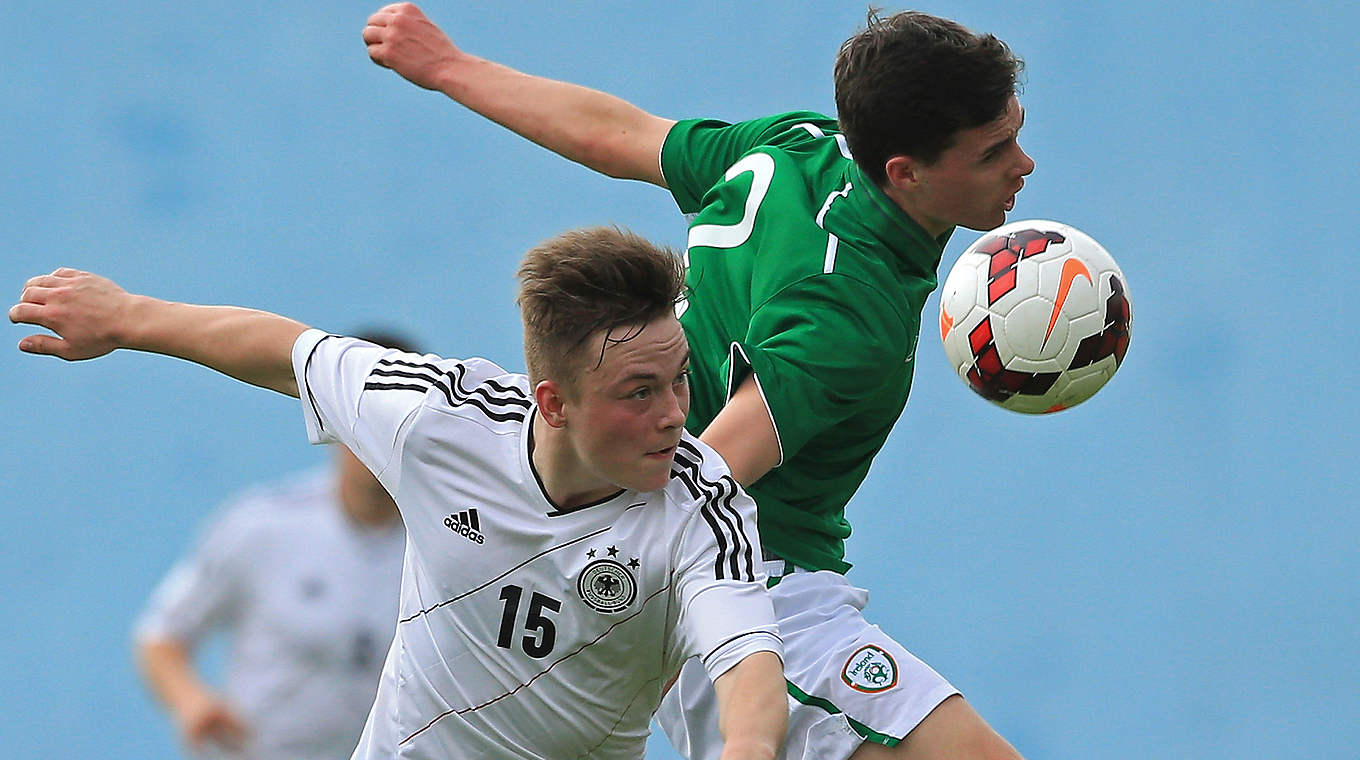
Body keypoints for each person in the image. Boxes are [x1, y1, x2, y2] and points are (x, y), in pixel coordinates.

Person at [361, 4, 1033, 760]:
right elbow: (700, 483)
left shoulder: (801, 146)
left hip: (684, 576)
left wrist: (448, 67)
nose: (1023, 164)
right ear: (906, 173)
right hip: (742, 583)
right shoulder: (849, 313)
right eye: (993, 151)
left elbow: (616, 134)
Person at [11, 226, 787, 760]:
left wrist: (748, 749)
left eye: (681, 377)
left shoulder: (699, 507)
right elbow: (288, 352)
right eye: (639, 391)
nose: (676, 413)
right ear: (553, 402)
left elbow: (746, 660)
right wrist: (128, 317)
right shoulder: (441, 418)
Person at [133, 332, 414, 760]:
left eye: (394, 423)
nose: (378, 442)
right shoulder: (262, 525)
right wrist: (193, 703)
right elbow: (162, 636)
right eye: (367, 421)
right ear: (336, 421)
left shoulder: (446, 543)